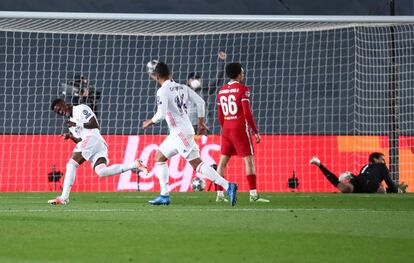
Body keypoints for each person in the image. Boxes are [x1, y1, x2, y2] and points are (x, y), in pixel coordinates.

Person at [142, 62, 238, 206]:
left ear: (156, 76)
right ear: (170, 73)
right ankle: (164, 195)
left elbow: (161, 115)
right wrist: (200, 123)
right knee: (159, 157)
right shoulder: (183, 87)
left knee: (197, 164)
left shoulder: (162, 91)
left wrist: (150, 122)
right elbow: (200, 102)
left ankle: (228, 186)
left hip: (180, 133)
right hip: (177, 133)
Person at [48, 98, 148, 205]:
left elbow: (95, 124)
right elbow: (81, 141)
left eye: (59, 109)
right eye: (57, 112)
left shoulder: (81, 108)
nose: (60, 112)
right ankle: (135, 164)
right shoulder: (70, 124)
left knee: (71, 165)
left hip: (93, 137)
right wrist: (70, 136)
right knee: (102, 171)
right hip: (96, 144)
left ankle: (64, 197)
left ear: (64, 103)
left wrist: (76, 124)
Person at [216, 63, 269, 203]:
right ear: (239, 74)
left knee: (222, 162)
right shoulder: (243, 89)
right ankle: (253, 195)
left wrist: (225, 128)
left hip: (226, 129)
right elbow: (247, 112)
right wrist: (255, 131)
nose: (244, 74)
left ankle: (219, 195)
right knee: (249, 159)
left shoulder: (221, 91)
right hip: (239, 129)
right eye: (243, 72)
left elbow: (220, 115)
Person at [309, 152, 401, 193]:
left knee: (344, 188)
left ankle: (319, 164)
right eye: (382, 159)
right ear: (375, 159)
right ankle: (351, 175)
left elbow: (362, 179)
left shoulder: (365, 166)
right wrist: (396, 190)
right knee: (382, 190)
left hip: (359, 180)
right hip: (370, 183)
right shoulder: (381, 166)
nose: (384, 161)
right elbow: (388, 181)